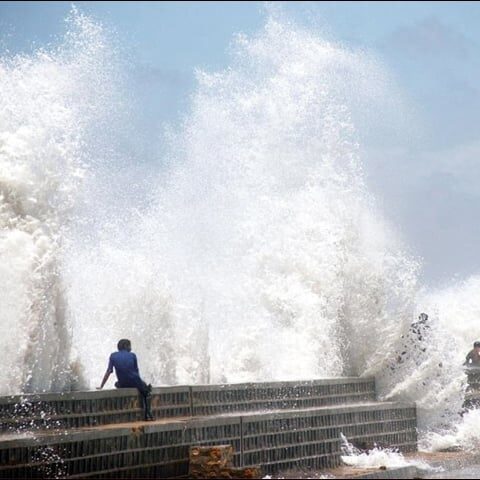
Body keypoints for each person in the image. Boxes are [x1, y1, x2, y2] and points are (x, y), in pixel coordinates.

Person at [98, 339, 154, 421]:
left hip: (123, 383)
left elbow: (109, 371)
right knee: (147, 392)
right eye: (129, 346)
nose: (131, 348)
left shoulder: (113, 356)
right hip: (135, 381)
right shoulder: (132, 355)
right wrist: (142, 386)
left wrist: (101, 386)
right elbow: (136, 372)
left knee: (116, 384)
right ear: (125, 346)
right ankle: (148, 414)